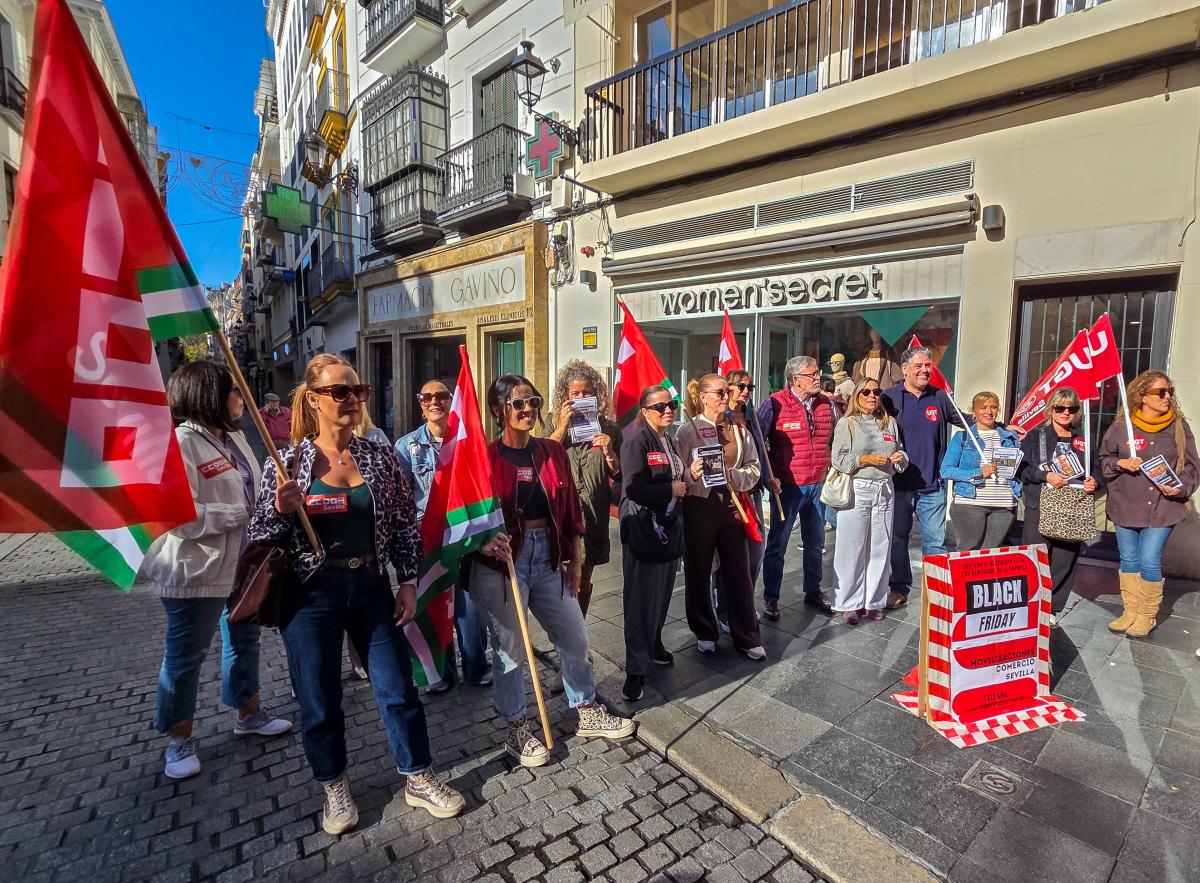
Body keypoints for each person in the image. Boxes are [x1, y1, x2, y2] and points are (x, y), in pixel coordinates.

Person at [247, 354, 464, 835]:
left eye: (358, 391)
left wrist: (407, 581)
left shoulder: (379, 456)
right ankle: (334, 784)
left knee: (397, 688)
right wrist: (281, 509)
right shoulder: (287, 463)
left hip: (370, 585)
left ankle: (418, 774)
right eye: (340, 391)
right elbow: (259, 536)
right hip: (310, 593)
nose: (352, 400)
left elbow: (403, 523)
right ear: (313, 399)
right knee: (319, 696)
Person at [469, 374, 634, 767]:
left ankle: (587, 709)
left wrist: (574, 559)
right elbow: (466, 516)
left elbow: (570, 507)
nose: (529, 409)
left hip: (548, 557)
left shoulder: (551, 451)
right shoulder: (485, 457)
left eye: (534, 401)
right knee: (510, 650)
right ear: (498, 410)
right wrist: (482, 542)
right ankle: (516, 726)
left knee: (574, 635)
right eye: (518, 403)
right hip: (504, 562)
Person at [143, 361, 292, 780]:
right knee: (186, 655)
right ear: (210, 397)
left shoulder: (237, 438)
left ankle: (249, 714)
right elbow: (179, 515)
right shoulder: (181, 444)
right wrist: (243, 511)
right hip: (196, 570)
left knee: (243, 639)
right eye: (234, 391)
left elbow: (255, 491)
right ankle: (178, 740)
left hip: (242, 563)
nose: (242, 398)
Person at [395, 379, 493, 692]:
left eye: (441, 396)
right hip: (429, 544)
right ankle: (441, 672)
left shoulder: (467, 441)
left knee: (469, 609)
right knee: (435, 606)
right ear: (420, 404)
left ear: (451, 401)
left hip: (464, 540)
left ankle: (477, 667)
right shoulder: (406, 447)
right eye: (427, 397)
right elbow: (401, 500)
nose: (434, 402)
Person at [1101, 370, 1199, 638]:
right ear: (1142, 396)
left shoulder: (1178, 427)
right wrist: (1121, 462)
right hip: (1126, 504)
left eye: (1170, 392)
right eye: (1160, 392)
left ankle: (1146, 615)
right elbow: (1104, 460)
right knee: (1129, 559)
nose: (1167, 397)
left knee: (1149, 560)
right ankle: (1130, 611)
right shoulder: (1121, 427)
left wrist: (1180, 487)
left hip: (1163, 507)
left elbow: (1193, 467)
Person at [676, 374, 766, 659]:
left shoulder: (739, 431)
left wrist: (732, 476)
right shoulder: (687, 431)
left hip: (732, 506)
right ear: (703, 397)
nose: (726, 396)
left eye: (727, 391)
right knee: (699, 571)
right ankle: (704, 630)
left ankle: (747, 635)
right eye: (719, 392)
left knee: (739, 571)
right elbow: (677, 474)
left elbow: (754, 468)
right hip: (699, 507)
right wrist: (691, 473)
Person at [881, 345, 965, 609]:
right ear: (905, 369)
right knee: (897, 539)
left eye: (928, 365)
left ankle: (937, 593)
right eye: (918, 366)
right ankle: (898, 587)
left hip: (932, 485)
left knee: (935, 543)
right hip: (898, 485)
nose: (925, 370)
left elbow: (966, 421)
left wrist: (1000, 426)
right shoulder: (889, 397)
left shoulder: (939, 397)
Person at [619, 385, 687, 701]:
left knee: (661, 592)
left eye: (671, 404)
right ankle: (635, 671)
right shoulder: (637, 441)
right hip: (644, 529)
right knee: (639, 600)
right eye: (660, 407)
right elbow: (633, 488)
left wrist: (688, 476)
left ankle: (654, 643)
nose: (667, 410)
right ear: (645, 411)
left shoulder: (667, 439)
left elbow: (674, 476)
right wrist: (670, 490)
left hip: (668, 526)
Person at [758, 355, 836, 620]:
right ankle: (771, 598)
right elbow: (757, 441)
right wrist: (767, 476)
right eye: (812, 374)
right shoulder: (775, 403)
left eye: (818, 373)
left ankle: (813, 591)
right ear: (796, 379)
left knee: (815, 543)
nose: (818, 377)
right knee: (778, 544)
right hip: (788, 487)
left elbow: (835, 438)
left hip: (818, 485)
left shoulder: (825, 403)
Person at [830, 379, 908, 624]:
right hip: (858, 487)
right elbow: (838, 459)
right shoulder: (847, 423)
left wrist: (900, 458)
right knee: (851, 548)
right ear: (857, 396)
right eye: (866, 392)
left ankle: (874, 601)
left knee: (880, 547)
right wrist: (864, 459)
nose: (872, 395)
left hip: (885, 487)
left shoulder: (889, 422)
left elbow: (901, 453)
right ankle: (848, 603)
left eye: (876, 391)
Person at [548, 360, 621, 617]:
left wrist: (609, 452)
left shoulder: (610, 428)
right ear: (565, 396)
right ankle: (562, 628)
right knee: (558, 575)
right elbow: (541, 456)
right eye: (575, 393)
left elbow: (619, 473)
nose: (581, 398)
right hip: (561, 512)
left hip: (594, 511)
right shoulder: (553, 421)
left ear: (596, 394)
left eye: (586, 392)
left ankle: (578, 628)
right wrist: (562, 427)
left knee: (584, 577)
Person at [1019, 387, 1101, 617]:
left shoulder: (1084, 438)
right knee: (1035, 558)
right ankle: (1030, 606)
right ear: (1051, 409)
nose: (1066, 412)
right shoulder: (1036, 435)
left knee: (1064, 560)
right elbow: (1021, 469)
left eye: (1071, 409)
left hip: (1073, 507)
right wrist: (1045, 476)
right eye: (1060, 408)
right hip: (1040, 504)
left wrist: (1095, 482)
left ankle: (1052, 609)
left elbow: (1097, 469)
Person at [713, 370, 768, 633]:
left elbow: (760, 453)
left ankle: (743, 602)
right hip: (728, 495)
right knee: (730, 555)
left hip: (752, 490)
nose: (746, 391)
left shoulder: (753, 416)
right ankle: (725, 610)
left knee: (756, 551)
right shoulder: (719, 420)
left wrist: (768, 477)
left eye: (750, 387)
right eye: (741, 386)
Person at [940, 391, 1023, 551]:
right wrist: (978, 472)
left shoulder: (1010, 437)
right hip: (970, 504)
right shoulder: (963, 437)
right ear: (974, 411)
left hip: (1004, 505)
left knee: (991, 555)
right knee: (968, 552)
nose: (988, 412)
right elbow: (946, 470)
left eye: (993, 407)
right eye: (983, 407)